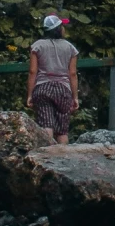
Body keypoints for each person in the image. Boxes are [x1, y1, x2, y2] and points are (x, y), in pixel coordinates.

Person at [27, 12, 78, 143]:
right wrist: (75, 97)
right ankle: (62, 160)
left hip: (43, 88)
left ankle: (46, 158)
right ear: (59, 29)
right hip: (63, 90)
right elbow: (72, 73)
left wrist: (30, 95)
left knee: (46, 124)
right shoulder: (70, 48)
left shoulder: (37, 46)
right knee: (62, 130)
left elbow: (33, 71)